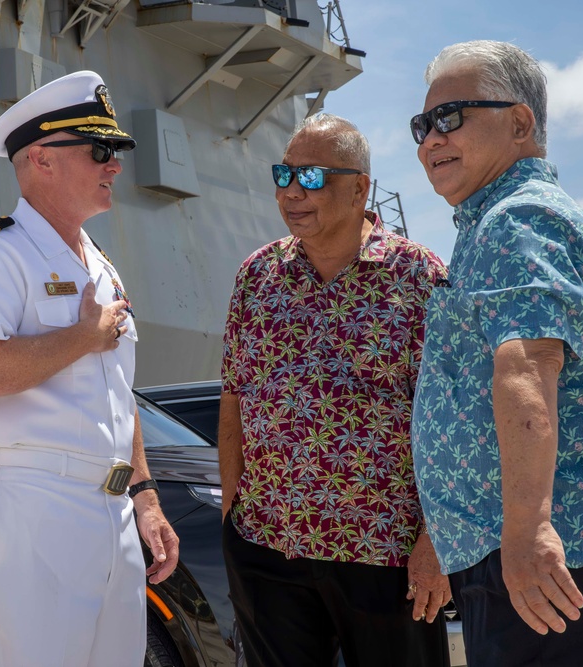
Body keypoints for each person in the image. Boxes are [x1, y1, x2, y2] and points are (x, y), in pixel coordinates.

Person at [409, 40, 583, 666]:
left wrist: (527, 528)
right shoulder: (501, 222)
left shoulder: (520, 219)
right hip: (532, 554)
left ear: (520, 123)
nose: (428, 140)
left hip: (553, 559)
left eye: (450, 118)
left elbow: (527, 367)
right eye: (422, 125)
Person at [0, 70, 179, 667]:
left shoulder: (101, 263)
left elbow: (118, 394)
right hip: (32, 501)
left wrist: (145, 495)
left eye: (115, 151)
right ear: (41, 160)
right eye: (99, 150)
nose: (114, 165)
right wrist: (82, 337)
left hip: (112, 506)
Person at [218, 113, 451, 667]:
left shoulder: (419, 276)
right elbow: (234, 397)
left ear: (359, 188)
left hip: (385, 555)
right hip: (267, 548)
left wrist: (436, 540)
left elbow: (453, 421)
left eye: (313, 178)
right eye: (283, 175)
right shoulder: (257, 275)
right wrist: (234, 517)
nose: (292, 192)